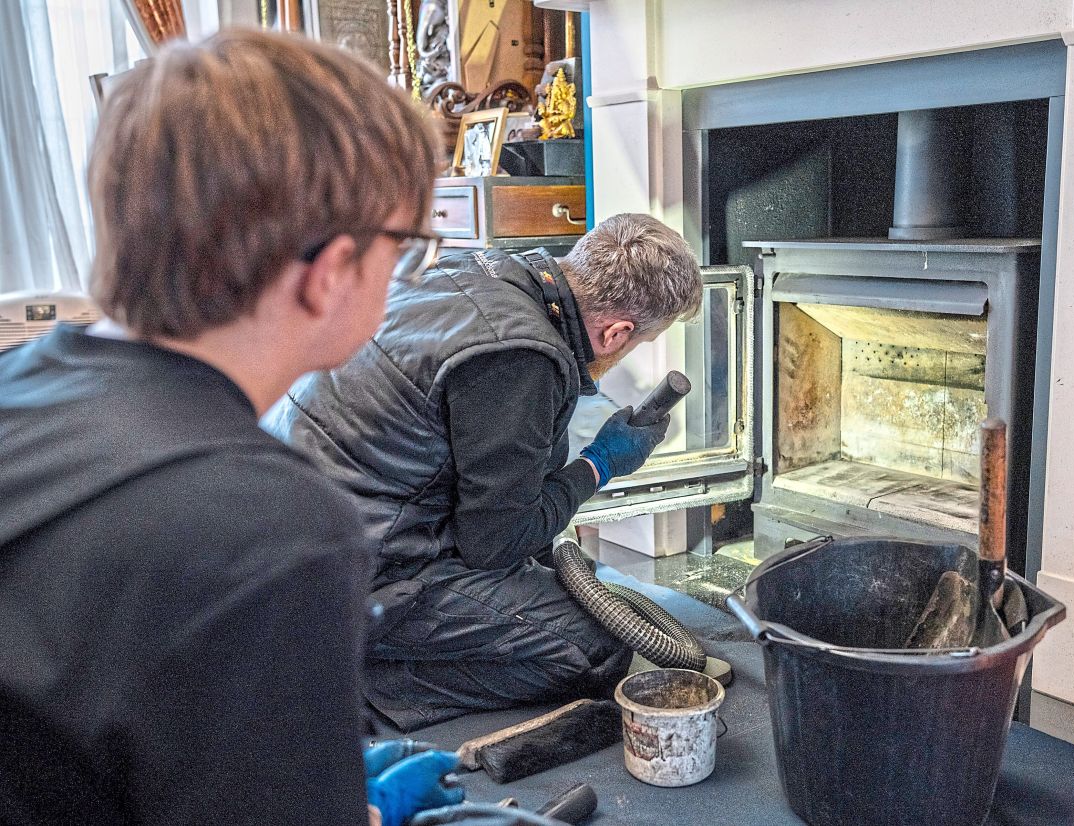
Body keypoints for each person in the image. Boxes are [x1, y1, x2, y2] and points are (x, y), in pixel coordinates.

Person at [0, 29, 460, 826]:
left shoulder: (16, 385)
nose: (405, 273)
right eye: (404, 249)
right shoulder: (275, 531)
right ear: (329, 275)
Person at [266, 214, 703, 731]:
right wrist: (598, 465)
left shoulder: (478, 270)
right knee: (597, 652)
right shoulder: (518, 358)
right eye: (639, 343)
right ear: (615, 332)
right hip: (359, 571)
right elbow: (495, 543)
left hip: (294, 529)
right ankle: (360, 680)